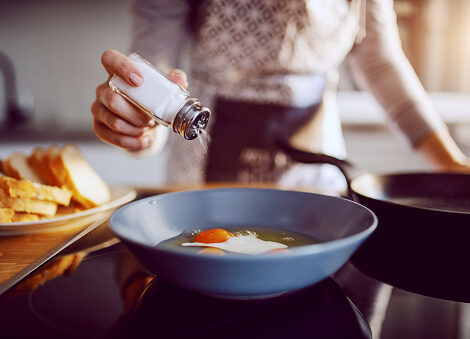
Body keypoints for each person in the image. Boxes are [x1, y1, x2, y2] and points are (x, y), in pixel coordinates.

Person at [91, 0, 470, 337]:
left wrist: (449, 162)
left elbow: (380, 59)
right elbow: (155, 61)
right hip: (204, 166)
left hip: (315, 183)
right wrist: (140, 126)